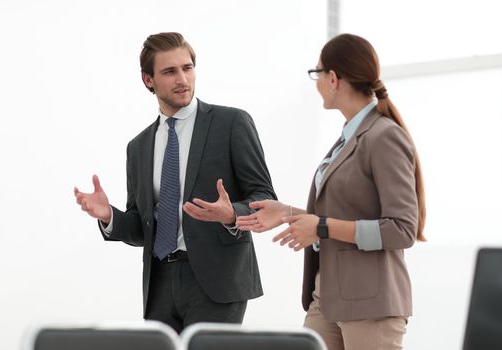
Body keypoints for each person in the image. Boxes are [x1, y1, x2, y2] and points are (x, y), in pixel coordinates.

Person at [74, 32, 276, 333]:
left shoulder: (231, 123)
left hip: (216, 281)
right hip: (159, 285)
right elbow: (143, 229)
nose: (182, 78)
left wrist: (232, 214)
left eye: (187, 68)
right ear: (148, 80)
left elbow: (264, 197)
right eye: (170, 71)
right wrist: (109, 216)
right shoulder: (138, 147)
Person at [237, 33, 426, 350]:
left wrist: (321, 227)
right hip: (327, 297)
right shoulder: (348, 139)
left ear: (334, 78)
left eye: (318, 74)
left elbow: (402, 229)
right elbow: (345, 213)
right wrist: (289, 213)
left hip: (371, 305)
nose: (317, 82)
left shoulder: (383, 137)